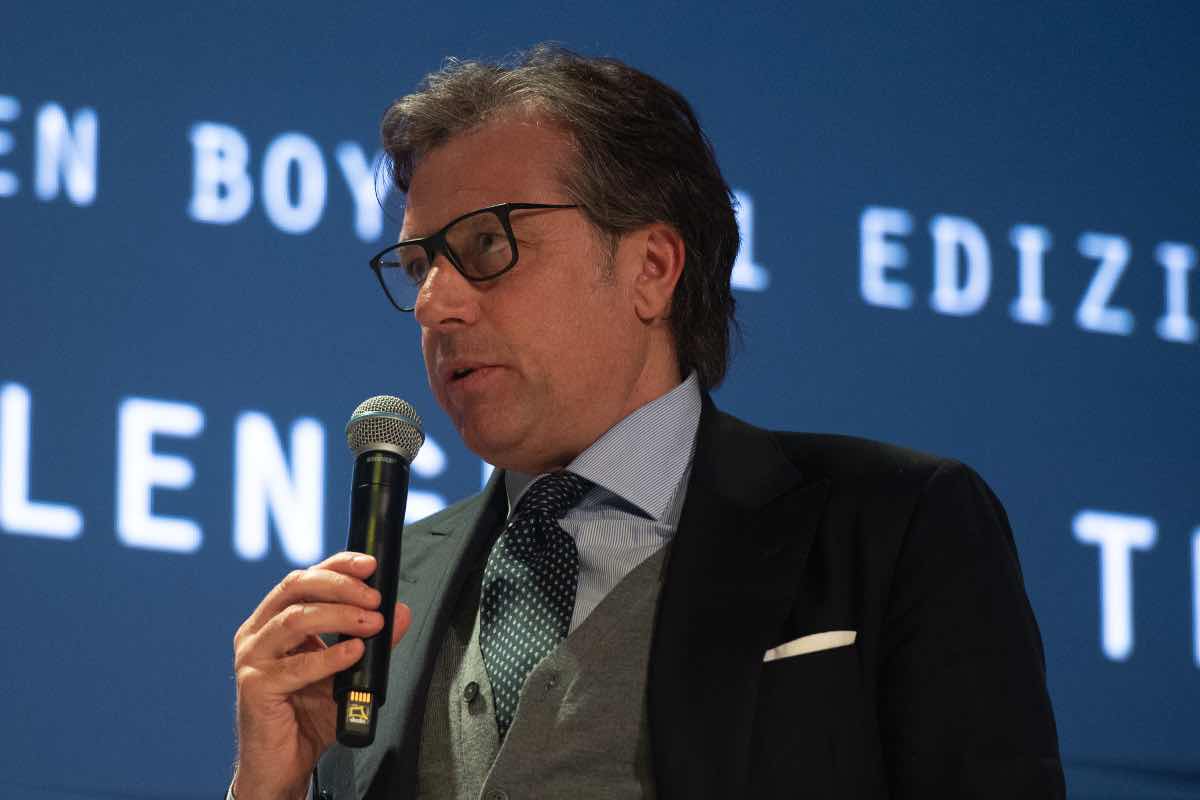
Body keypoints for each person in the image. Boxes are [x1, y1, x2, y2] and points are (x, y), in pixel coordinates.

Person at [229, 45, 1065, 799]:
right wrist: (267, 791)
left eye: (486, 245)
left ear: (653, 270)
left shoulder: (895, 527)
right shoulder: (382, 599)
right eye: (419, 266)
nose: (434, 305)